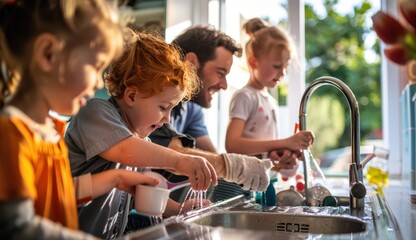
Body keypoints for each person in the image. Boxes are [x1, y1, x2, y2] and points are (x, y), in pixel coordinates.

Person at [0, 1, 161, 239]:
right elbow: (19, 227)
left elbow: (60, 195)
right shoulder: (12, 133)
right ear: (48, 54)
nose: (98, 83)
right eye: (95, 67)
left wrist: (117, 178)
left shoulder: (50, 132)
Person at [64, 29, 222, 239]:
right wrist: (180, 161)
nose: (167, 118)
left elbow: (145, 192)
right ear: (132, 95)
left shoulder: (141, 142)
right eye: (163, 107)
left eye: (172, 109)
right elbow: (124, 149)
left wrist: (180, 209)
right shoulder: (95, 113)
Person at [148, 25, 297, 202]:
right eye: (220, 73)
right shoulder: (153, 97)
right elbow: (174, 154)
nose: (224, 85)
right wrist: (235, 167)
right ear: (191, 62)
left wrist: (267, 166)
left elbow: (214, 160)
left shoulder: (192, 109)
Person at [224, 18, 315, 205]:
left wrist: (282, 155)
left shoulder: (270, 101)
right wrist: (286, 141)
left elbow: (262, 152)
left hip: (260, 185)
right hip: (240, 190)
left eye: (285, 67)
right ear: (253, 62)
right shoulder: (245, 96)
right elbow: (232, 144)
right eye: (276, 66)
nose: (282, 73)